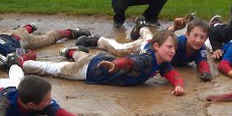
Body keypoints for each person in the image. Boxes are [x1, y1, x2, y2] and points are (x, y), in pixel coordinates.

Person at [0, 29, 186, 95]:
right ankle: (20, 62)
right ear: (155, 46)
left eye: (174, 48)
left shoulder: (161, 63)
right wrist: (117, 64)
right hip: (91, 70)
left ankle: (71, 51)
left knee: (84, 57)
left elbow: (172, 74)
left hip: (97, 61)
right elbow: (131, 62)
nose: (173, 51)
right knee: (53, 69)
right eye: (169, 47)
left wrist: (178, 85)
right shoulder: (147, 58)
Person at [75, 16, 214, 82]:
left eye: (203, 37)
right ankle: (98, 40)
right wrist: (174, 28)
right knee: (118, 50)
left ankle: (141, 26)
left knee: (147, 35)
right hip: (146, 47)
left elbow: (202, 63)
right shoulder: (179, 42)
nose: (198, 40)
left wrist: (206, 72)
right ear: (187, 35)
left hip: (151, 42)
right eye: (195, 36)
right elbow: (163, 37)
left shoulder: (199, 49)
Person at [0, 21, 90, 64]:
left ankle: (71, 31)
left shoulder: (6, 49)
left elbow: (31, 54)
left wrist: (16, 59)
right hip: (4, 33)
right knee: (22, 29)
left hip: (20, 39)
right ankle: (29, 26)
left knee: (47, 39)